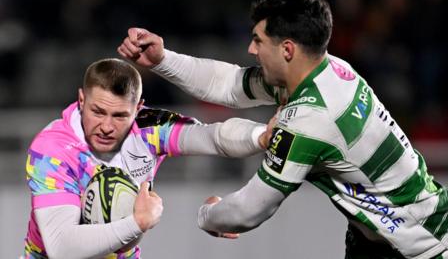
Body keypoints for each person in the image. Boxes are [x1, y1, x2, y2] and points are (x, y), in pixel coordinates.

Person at [117, 0, 448, 258]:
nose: (251, 50)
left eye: (258, 40)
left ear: (287, 49)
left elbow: (249, 210)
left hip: (435, 246)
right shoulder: (324, 70)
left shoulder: (309, 119)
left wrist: (208, 215)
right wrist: (162, 59)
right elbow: (226, 85)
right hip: (381, 241)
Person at [23, 58, 273, 258]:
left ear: (138, 107)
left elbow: (212, 137)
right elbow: (62, 249)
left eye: (120, 115)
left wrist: (262, 136)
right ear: (81, 100)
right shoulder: (53, 150)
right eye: (98, 112)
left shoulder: (149, 129)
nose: (106, 126)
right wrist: (139, 222)